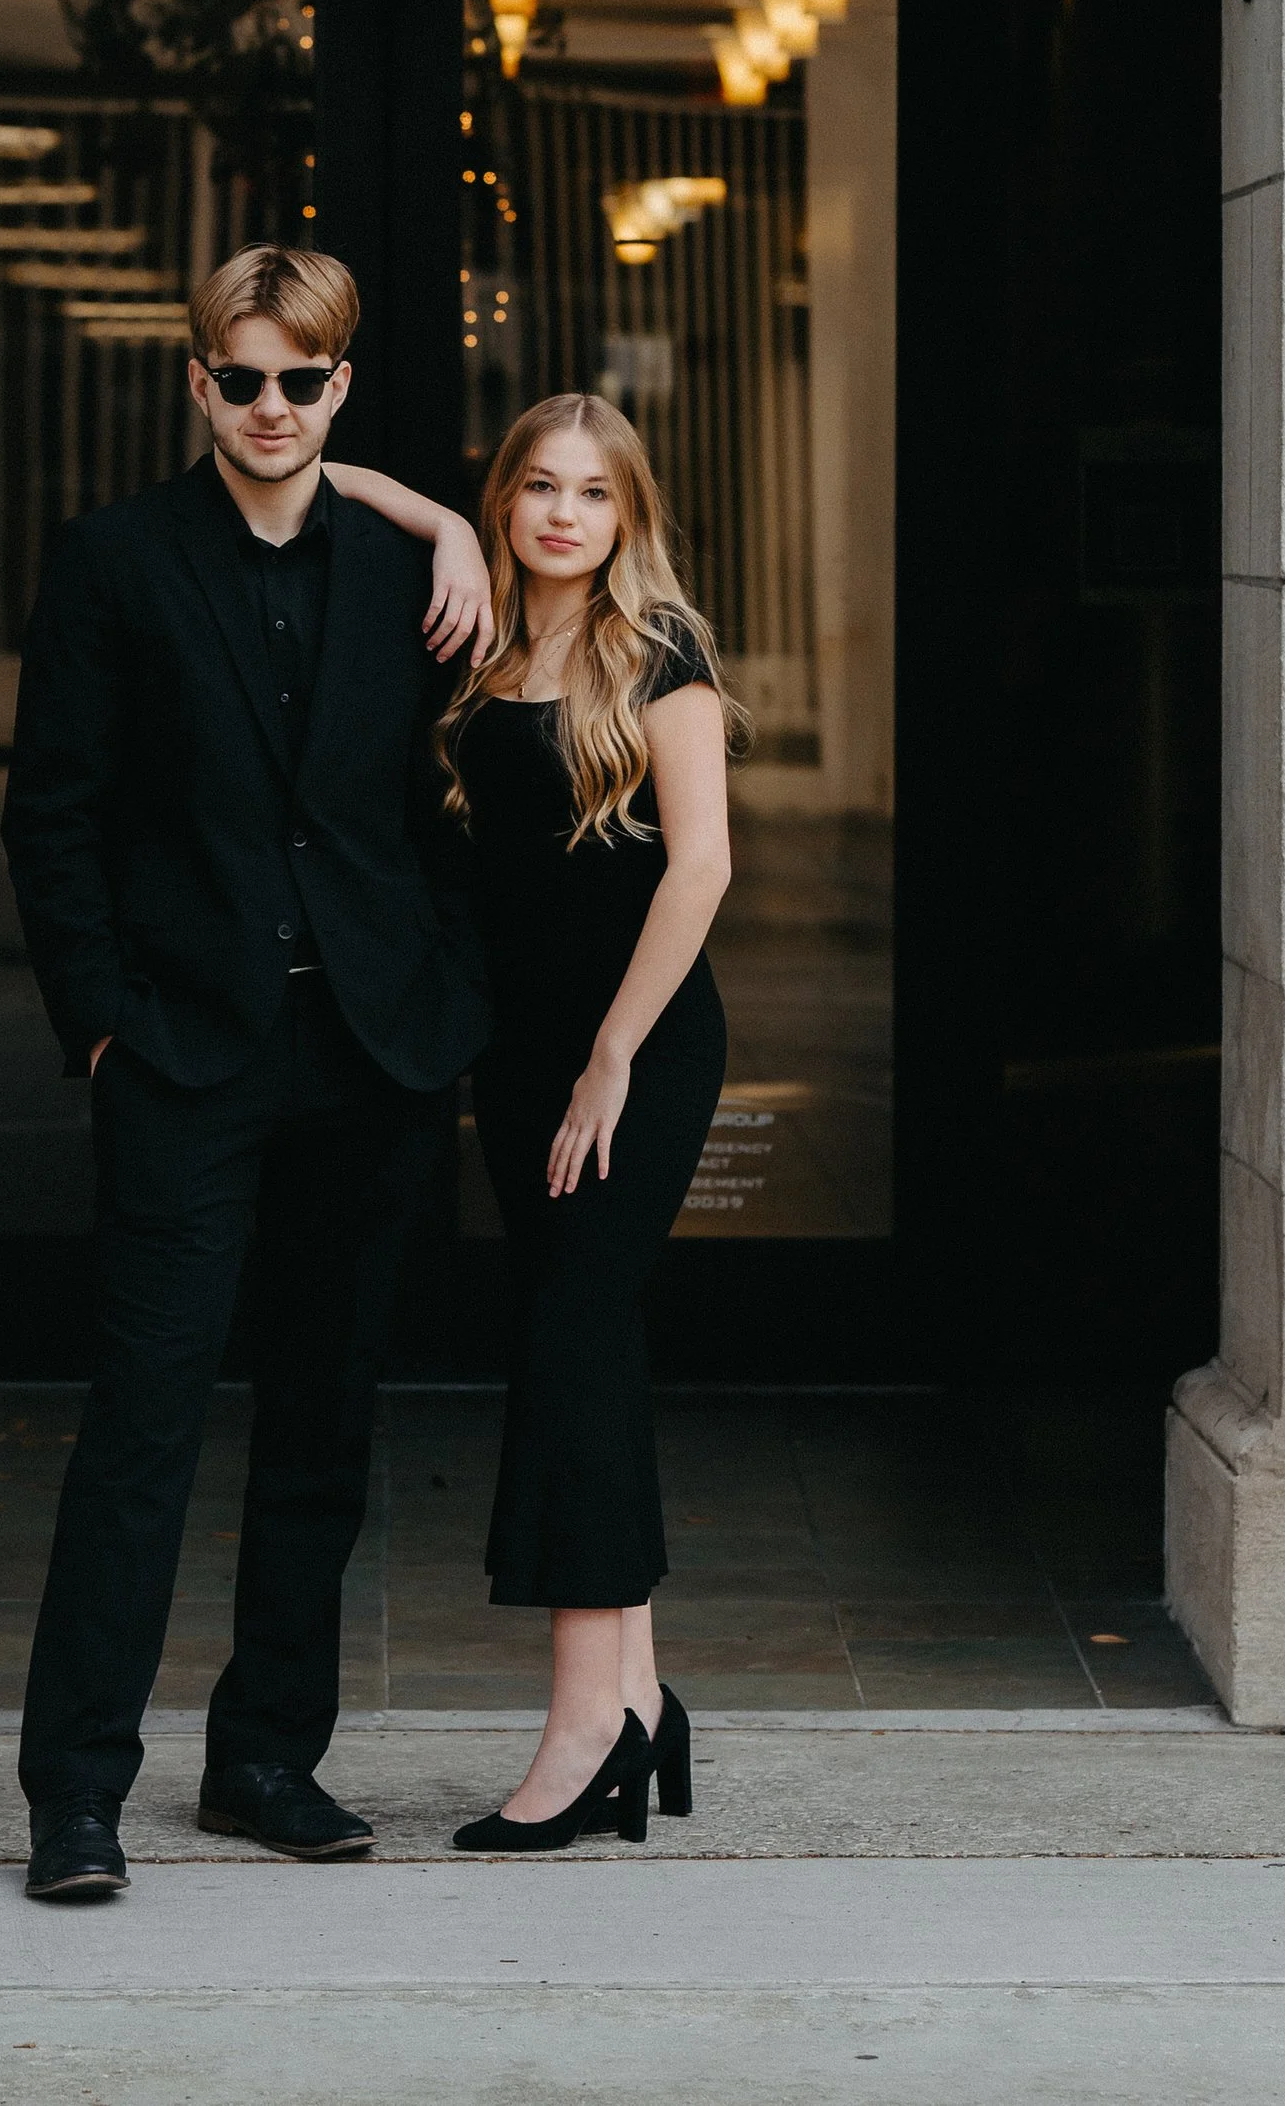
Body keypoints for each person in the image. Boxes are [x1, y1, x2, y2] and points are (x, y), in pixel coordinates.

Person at [1, 242, 492, 1902]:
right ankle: (77, 1791)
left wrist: (448, 1000)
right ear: (196, 379)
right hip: (186, 1054)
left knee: (323, 1425)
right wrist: (100, 1017)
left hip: (370, 1053)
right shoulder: (115, 559)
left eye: (300, 379)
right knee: (140, 1427)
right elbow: (52, 809)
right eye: (241, 377)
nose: (269, 406)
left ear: (341, 386)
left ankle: (267, 1757)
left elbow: (460, 795)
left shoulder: (410, 571)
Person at [435, 392, 737, 1854]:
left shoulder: (657, 651)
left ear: (630, 513)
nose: (566, 513)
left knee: (569, 1344)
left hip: (639, 1049)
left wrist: (614, 1055)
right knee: (588, 1345)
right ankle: (639, 1699)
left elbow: (702, 867)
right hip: (520, 1056)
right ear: (504, 500)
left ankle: (584, 1731)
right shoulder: (480, 650)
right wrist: (429, 518)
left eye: (595, 492)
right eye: (540, 486)